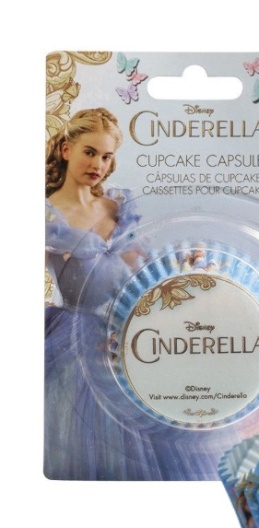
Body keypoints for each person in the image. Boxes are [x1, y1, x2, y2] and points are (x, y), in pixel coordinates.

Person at [45, 108, 159, 480]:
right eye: (90, 152)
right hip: (74, 337)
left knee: (143, 428)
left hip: (128, 330)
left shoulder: (117, 206)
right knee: (83, 432)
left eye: (107, 157)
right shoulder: (47, 216)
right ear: (66, 150)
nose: (98, 164)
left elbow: (142, 265)